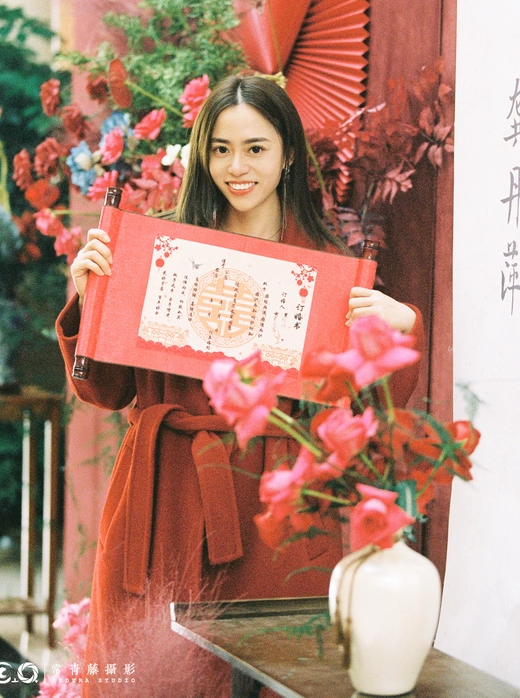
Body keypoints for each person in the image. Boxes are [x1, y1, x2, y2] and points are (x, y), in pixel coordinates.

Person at [56, 75, 423, 695]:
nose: (237, 167)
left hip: (274, 503)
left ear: (288, 154)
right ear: (202, 154)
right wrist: (90, 299)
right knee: (152, 676)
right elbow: (107, 391)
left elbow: (366, 410)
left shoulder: (332, 269)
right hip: (164, 497)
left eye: (256, 148)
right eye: (221, 149)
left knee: (277, 676)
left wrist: (400, 327)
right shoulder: (157, 247)